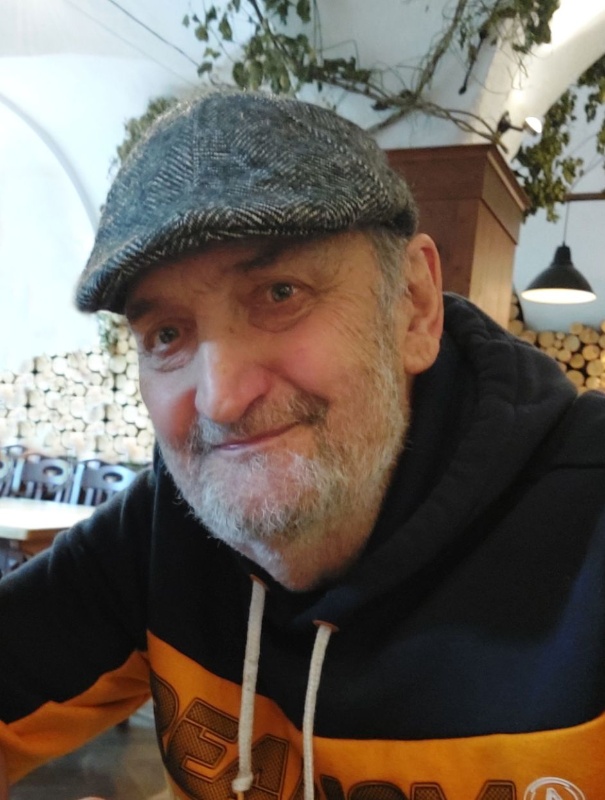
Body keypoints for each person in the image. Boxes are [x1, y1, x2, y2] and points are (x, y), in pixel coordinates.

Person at [1, 90, 605, 800]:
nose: (221, 398)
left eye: (280, 294)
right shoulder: (165, 529)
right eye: (165, 334)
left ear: (413, 306)